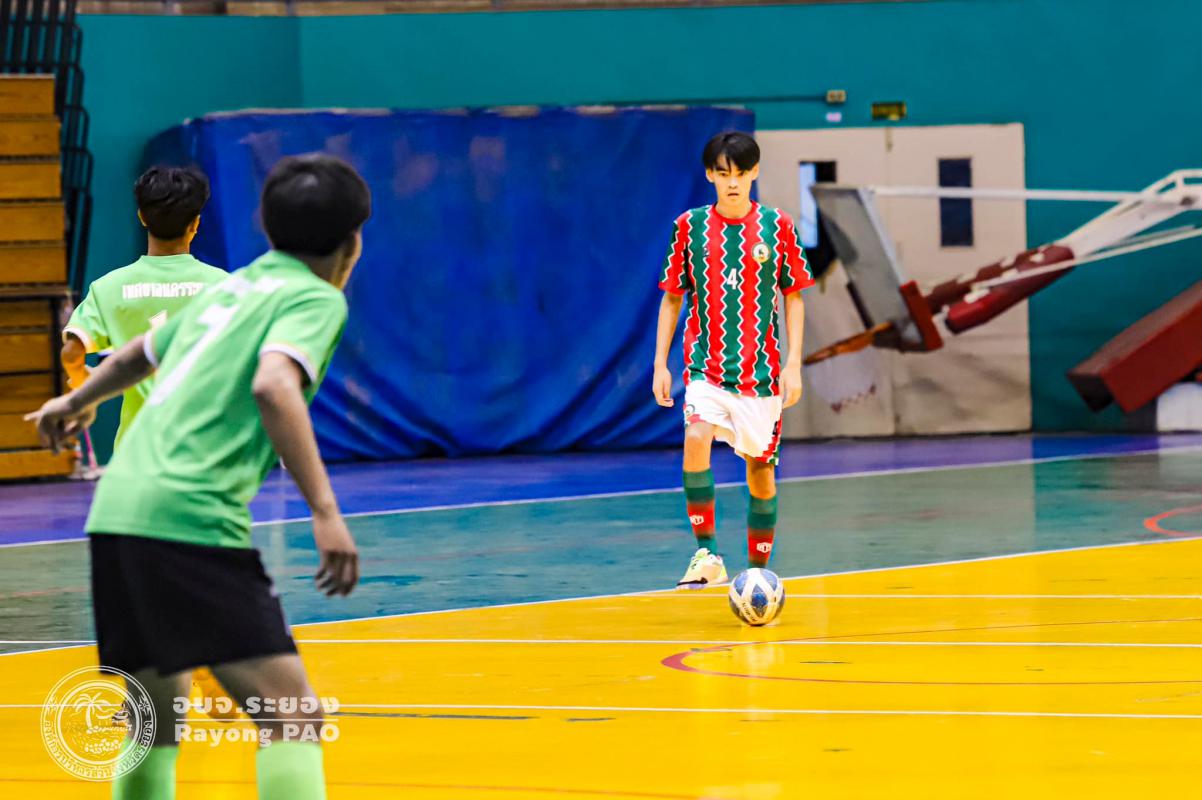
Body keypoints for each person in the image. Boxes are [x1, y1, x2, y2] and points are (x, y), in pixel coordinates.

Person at [27, 153, 371, 800]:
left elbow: (136, 354)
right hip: (187, 517)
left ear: (267, 227)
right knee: (293, 718)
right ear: (352, 243)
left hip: (119, 508)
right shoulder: (313, 298)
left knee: (152, 726)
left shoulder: (237, 288)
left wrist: (74, 402)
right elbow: (274, 385)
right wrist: (325, 513)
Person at [652, 131, 814, 589]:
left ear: (755, 172)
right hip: (706, 368)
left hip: (761, 375)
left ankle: (758, 572)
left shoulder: (778, 227)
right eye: (724, 174)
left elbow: (794, 297)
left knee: (761, 475)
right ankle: (707, 554)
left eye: (742, 173)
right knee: (695, 436)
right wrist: (660, 363)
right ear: (710, 175)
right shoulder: (689, 227)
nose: (733, 182)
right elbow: (671, 298)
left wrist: (793, 364)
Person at [62, 165, 226, 450]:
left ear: (142, 217)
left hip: (136, 452)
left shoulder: (108, 288)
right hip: (205, 449)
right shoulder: (223, 287)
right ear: (195, 224)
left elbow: (71, 353)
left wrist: (83, 385)